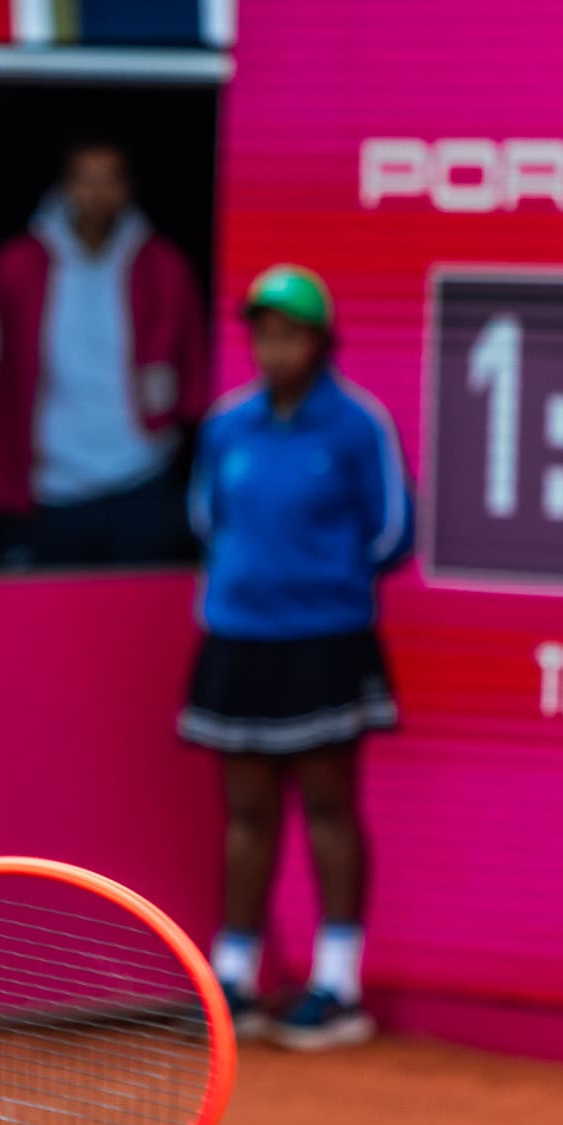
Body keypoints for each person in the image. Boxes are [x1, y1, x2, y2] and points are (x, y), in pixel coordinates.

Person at [180, 265, 413, 1051]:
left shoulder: (356, 425)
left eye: (290, 333)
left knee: (328, 805)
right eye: (264, 333)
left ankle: (338, 983)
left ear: (320, 340)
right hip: (239, 637)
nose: (274, 348)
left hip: (325, 639)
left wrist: (319, 587)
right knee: (246, 811)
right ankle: (234, 978)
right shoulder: (227, 425)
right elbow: (208, 518)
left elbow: (391, 533)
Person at [0, 138, 208, 567]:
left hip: (141, 474)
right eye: (85, 179)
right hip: (48, 485)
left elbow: (191, 365)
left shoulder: (163, 266)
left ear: (128, 188)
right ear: (63, 187)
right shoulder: (17, 266)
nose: (97, 193)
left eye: (109, 179)